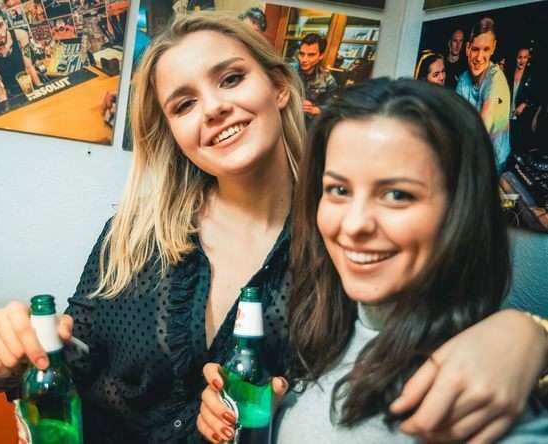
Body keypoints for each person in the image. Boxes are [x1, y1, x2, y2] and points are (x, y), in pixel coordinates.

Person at [0, 14, 547, 444]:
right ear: (172, 133)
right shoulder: (134, 234)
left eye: (230, 79)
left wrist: (526, 333)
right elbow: (74, 359)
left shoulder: (345, 242)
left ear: (279, 87)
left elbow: (423, 325)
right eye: (183, 104)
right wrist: (17, 354)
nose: (213, 108)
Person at [198, 79, 548, 443]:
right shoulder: (323, 332)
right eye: (339, 190)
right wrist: (264, 423)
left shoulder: (490, 400)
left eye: (397, 195)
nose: (354, 225)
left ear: (462, 211)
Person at [456, 17, 511, 174]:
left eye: (486, 49)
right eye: (475, 49)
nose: (479, 58)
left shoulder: (496, 81)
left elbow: (483, 127)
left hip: (493, 165)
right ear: (467, 48)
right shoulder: (463, 80)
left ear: (493, 48)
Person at [0, 5, 41, 102]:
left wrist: (40, 91)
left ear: (6, 23)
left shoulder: (21, 36)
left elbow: (29, 67)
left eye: (0, 25)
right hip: (11, 93)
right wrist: (5, 104)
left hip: (29, 85)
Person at [294, 33, 338, 123]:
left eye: (311, 55)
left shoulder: (328, 80)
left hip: (309, 124)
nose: (304, 59)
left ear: (321, 56)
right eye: (301, 54)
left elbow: (333, 106)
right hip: (286, 120)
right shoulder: (287, 71)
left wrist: (316, 109)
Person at [507, 47, 537, 155]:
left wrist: (524, 104)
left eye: (525, 57)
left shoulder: (531, 75)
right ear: (515, 58)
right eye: (520, 57)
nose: (522, 60)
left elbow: (536, 96)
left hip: (521, 119)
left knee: (517, 148)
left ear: (528, 58)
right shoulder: (508, 72)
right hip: (506, 116)